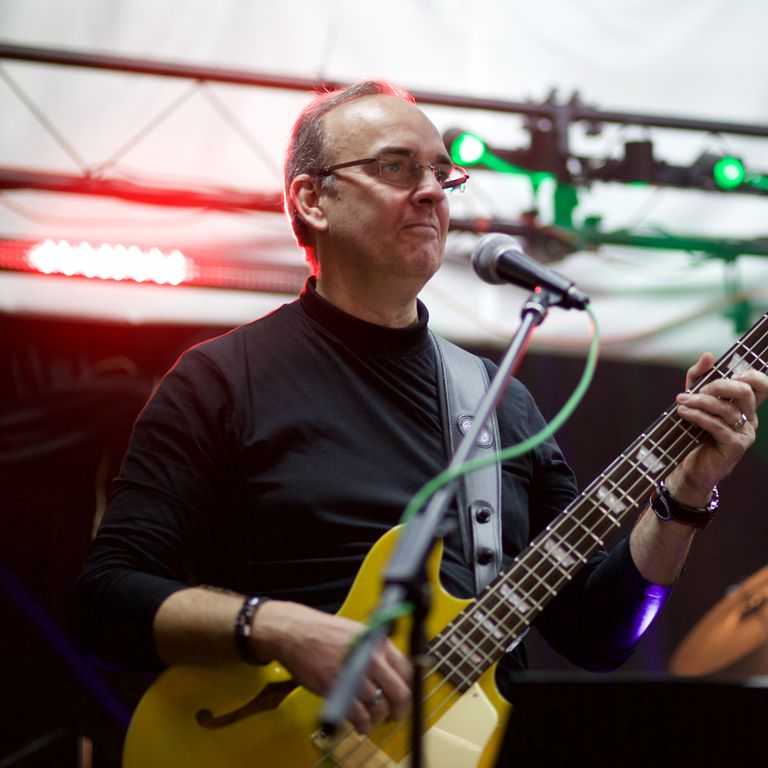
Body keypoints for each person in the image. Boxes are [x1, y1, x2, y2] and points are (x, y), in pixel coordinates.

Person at [71, 80, 767, 739]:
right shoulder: (222, 380)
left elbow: (599, 636)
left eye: (442, 174)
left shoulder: (498, 401)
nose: (432, 190)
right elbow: (106, 599)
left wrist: (686, 493)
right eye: (397, 167)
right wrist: (278, 626)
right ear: (312, 200)